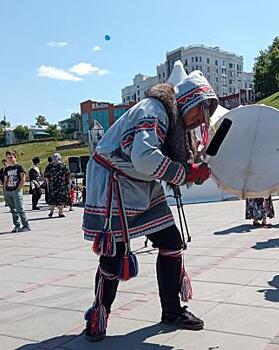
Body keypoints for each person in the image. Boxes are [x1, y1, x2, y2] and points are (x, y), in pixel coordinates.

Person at [82, 71, 216, 341]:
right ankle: (99, 314)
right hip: (114, 183)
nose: (199, 121)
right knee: (114, 254)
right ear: (188, 103)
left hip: (139, 182)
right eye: (199, 112)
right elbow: (144, 157)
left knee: (171, 242)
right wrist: (186, 173)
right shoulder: (154, 111)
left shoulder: (173, 120)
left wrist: (190, 171)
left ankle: (172, 310)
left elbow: (149, 164)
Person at [3, 150, 30, 232]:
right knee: (12, 210)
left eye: (11, 157)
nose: (10, 159)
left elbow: (23, 178)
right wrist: (4, 190)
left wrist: (18, 188)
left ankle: (25, 225)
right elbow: (5, 180)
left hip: (16, 190)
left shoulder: (19, 167)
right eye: (8, 158)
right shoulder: (6, 169)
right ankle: (17, 225)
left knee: (19, 208)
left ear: (15, 157)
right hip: (8, 190)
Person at [44, 153, 71, 218]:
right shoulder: (63, 166)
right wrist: (68, 184)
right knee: (61, 199)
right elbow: (68, 175)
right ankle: (60, 213)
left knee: (52, 199)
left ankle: (51, 211)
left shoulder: (49, 166)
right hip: (62, 186)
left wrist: (48, 184)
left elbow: (46, 176)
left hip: (53, 185)